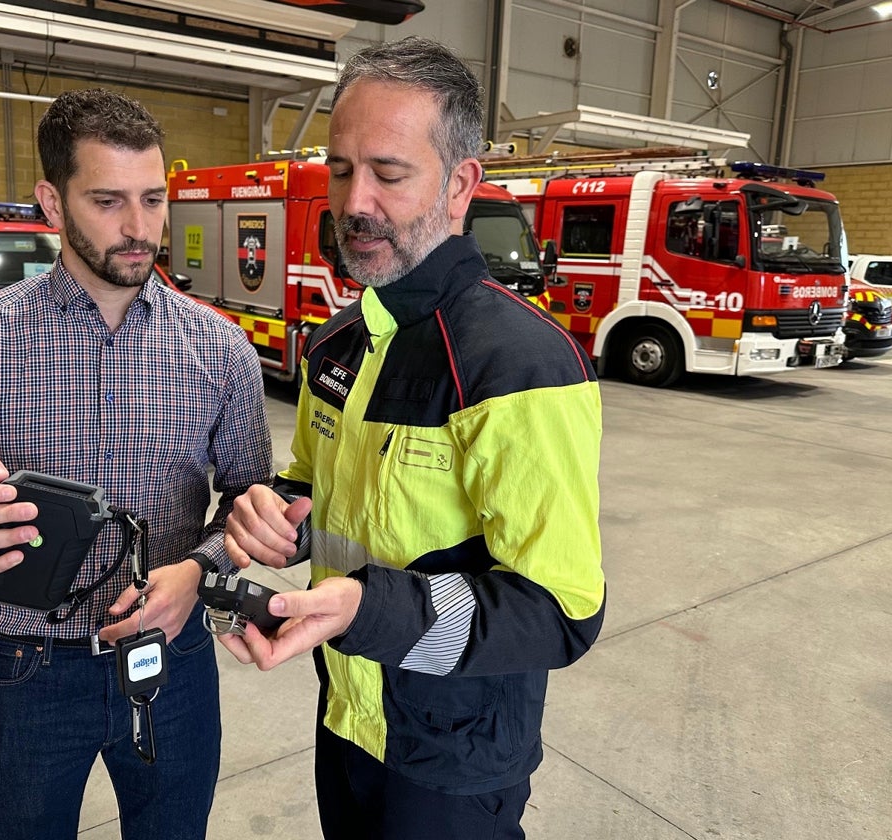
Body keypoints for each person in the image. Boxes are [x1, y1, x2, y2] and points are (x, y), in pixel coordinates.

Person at [0, 88, 272, 840]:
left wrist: (200, 571)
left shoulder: (221, 352)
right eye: (109, 201)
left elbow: (249, 497)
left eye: (153, 199)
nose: (140, 228)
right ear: (53, 202)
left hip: (172, 663)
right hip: (23, 672)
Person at [218, 37, 606, 839]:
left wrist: (368, 608)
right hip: (347, 721)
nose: (354, 201)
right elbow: (318, 489)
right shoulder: (339, 341)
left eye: (389, 174)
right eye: (339, 169)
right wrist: (279, 512)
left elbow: (563, 611)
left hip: (454, 759)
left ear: (461, 184)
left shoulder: (521, 365)